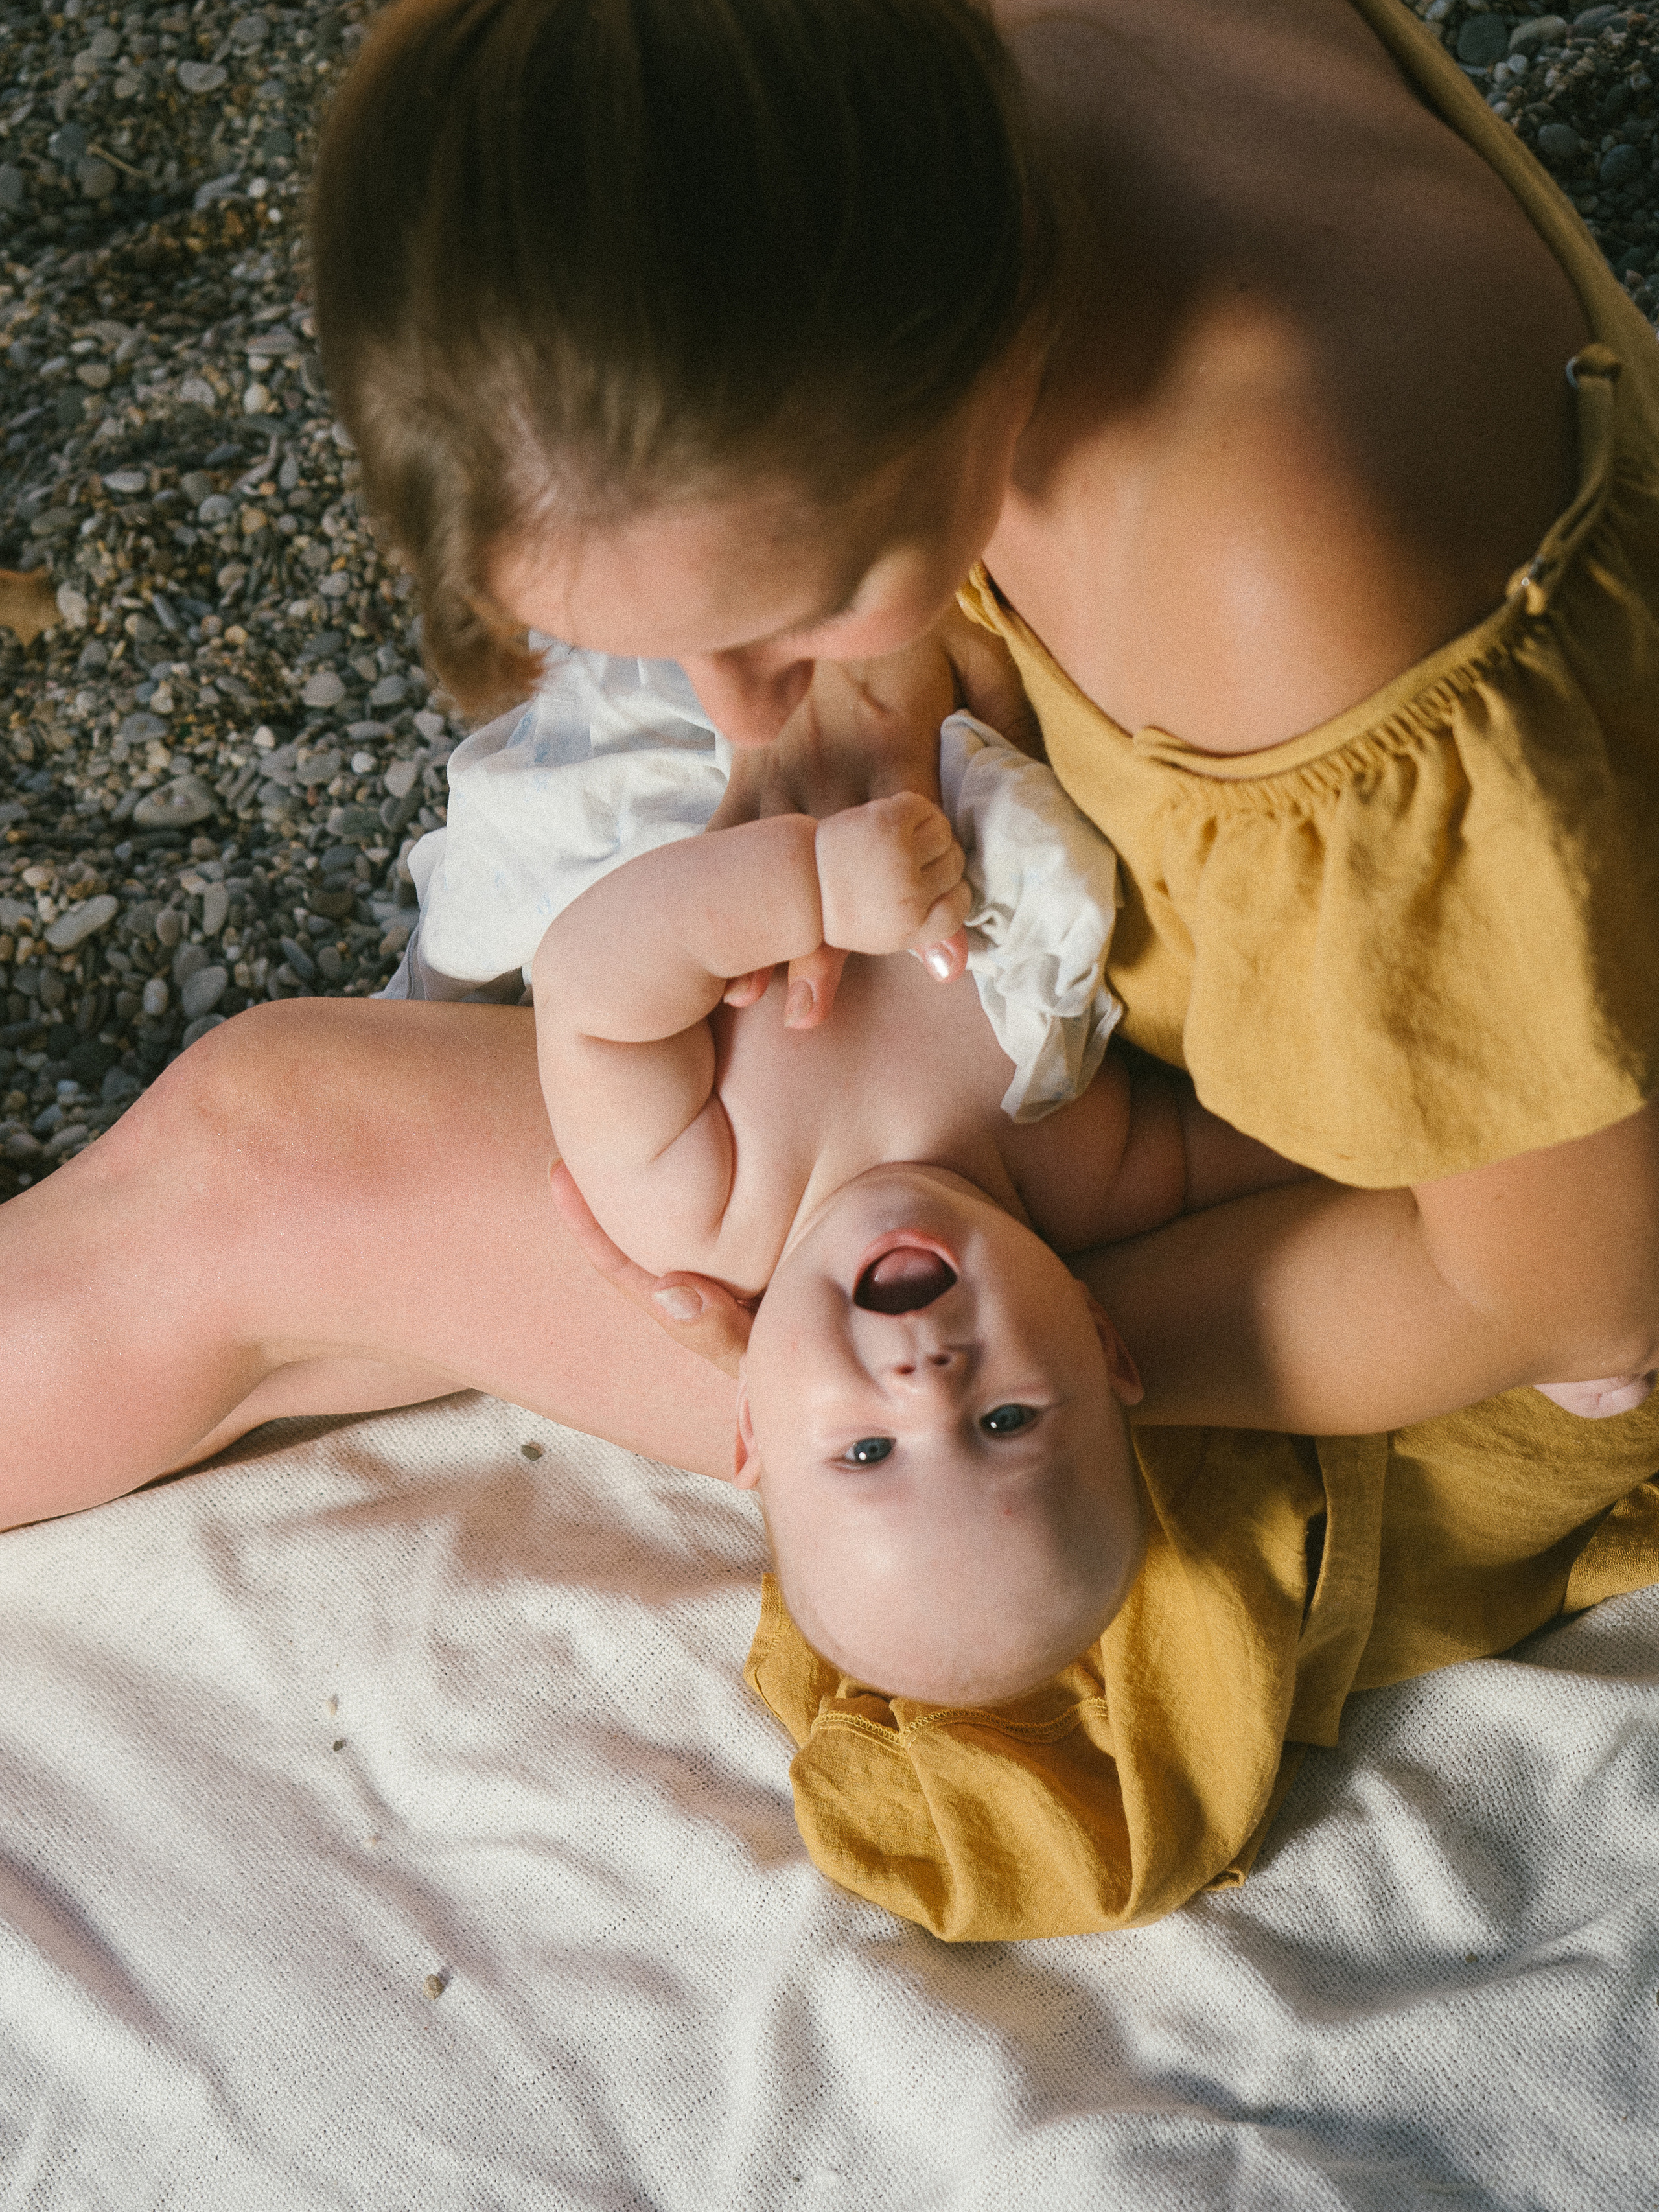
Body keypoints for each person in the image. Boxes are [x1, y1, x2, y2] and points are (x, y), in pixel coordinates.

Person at [5, 0, 1658, 1935]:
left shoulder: (1282, 566)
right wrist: (884, 667)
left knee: (266, 1163)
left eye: (791, 610)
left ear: (952, 367)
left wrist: (980, 1357)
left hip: (1473, 1246)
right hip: (1249, 1051)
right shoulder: (862, 80)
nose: (729, 707)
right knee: (339, 1247)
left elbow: (1576, 1289)